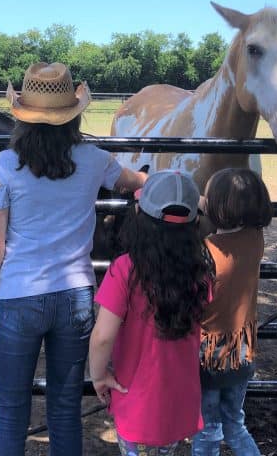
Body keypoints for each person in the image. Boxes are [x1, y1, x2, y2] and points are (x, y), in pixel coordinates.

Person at [0, 62, 147, 456]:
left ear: (23, 116)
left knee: (10, 415)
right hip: (76, 297)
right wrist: (185, 191)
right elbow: (139, 182)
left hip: (19, 299)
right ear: (73, 114)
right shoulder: (95, 160)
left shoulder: (2, 167)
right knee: (65, 412)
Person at [89, 169, 213, 456]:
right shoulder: (201, 274)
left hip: (135, 404)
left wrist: (98, 375)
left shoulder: (124, 270)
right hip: (180, 403)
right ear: (194, 222)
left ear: (139, 217)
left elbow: (102, 337)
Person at [192, 168, 273, 456]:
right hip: (243, 350)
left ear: (218, 208)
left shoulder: (206, 251)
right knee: (235, 424)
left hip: (209, 354)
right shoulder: (255, 240)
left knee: (207, 427)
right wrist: (208, 200)